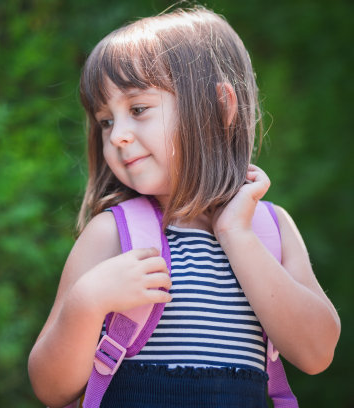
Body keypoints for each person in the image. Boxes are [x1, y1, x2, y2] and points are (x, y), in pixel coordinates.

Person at [27, 6, 341, 408]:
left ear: (218, 108)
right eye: (105, 121)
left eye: (138, 109)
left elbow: (316, 354)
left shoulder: (270, 229)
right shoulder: (112, 233)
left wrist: (236, 234)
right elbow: (51, 390)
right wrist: (87, 303)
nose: (118, 136)